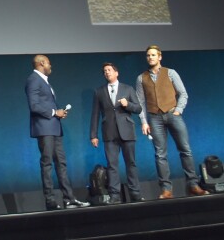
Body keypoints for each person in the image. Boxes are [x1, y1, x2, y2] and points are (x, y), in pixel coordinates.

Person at [135, 45, 209, 198]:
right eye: (148, 55)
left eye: (153, 55)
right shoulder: (141, 78)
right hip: (154, 117)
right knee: (160, 154)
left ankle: (193, 184)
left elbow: (183, 93)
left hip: (172, 114)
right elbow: (140, 102)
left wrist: (178, 110)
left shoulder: (171, 73)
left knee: (185, 149)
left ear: (160, 57)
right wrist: (143, 121)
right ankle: (166, 189)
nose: (150, 58)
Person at [25, 54, 89, 210]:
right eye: (49, 64)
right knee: (47, 164)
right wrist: (55, 112)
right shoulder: (33, 80)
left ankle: (69, 199)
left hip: (54, 128)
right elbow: (34, 106)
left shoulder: (44, 81)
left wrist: (59, 113)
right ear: (42, 63)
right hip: (45, 128)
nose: (50, 66)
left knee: (61, 163)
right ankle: (50, 200)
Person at [89, 62, 143, 203]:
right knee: (112, 165)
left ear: (116, 72)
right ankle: (115, 195)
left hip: (127, 131)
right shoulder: (99, 91)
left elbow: (138, 109)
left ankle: (135, 193)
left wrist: (128, 104)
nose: (107, 72)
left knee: (131, 163)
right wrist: (93, 135)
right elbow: (95, 114)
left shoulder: (128, 88)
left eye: (109, 70)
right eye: (105, 71)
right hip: (109, 133)